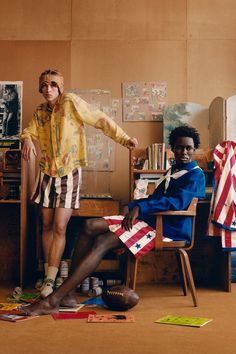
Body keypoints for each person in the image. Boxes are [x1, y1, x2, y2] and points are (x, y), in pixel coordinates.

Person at [22, 125, 206, 316]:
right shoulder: (172, 171)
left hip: (167, 229)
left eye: (188, 148)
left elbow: (177, 202)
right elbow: (153, 200)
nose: (184, 152)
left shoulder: (195, 175)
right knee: (89, 225)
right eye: (179, 147)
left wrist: (140, 208)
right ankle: (68, 293)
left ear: (194, 150)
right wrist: (132, 205)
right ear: (173, 149)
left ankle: (53, 300)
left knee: (103, 240)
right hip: (148, 222)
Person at [20, 69, 138, 298]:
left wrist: (124, 139)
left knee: (60, 226)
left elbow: (100, 119)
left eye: (52, 85)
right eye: (44, 85)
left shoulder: (71, 102)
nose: (48, 89)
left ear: (60, 86)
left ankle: (51, 280)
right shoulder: (40, 111)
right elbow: (29, 131)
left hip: (68, 171)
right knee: (45, 225)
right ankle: (48, 276)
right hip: (46, 172)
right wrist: (26, 139)